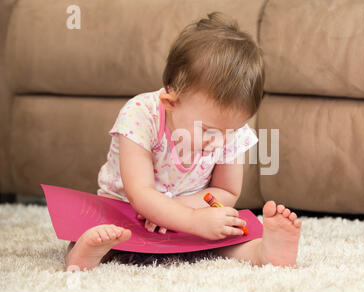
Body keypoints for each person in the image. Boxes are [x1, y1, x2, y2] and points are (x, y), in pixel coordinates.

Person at [65, 12, 301, 271]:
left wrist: (191, 217)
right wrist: (190, 220)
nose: (219, 142)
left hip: (191, 211)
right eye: (210, 131)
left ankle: (264, 252)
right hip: (130, 211)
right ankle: (85, 254)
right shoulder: (141, 115)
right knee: (99, 231)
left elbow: (227, 191)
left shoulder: (229, 131)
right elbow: (140, 193)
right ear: (171, 103)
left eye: (230, 131)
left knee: (224, 234)